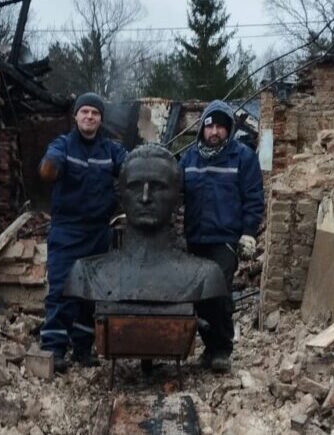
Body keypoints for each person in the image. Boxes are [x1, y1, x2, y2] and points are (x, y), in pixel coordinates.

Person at [64, 144, 227, 305]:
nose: (145, 197)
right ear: (121, 198)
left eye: (158, 187)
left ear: (178, 201)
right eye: (134, 187)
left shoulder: (204, 277)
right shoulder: (87, 275)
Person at [39, 92, 127, 373]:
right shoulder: (62, 145)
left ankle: (82, 348)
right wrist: (50, 169)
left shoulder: (111, 150)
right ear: (76, 116)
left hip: (98, 232)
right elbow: (48, 166)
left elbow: (130, 165)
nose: (89, 117)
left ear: (101, 119)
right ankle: (54, 348)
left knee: (91, 292)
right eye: (85, 112)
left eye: (95, 113)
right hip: (67, 230)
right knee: (62, 288)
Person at [179, 99, 264, 372]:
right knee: (198, 296)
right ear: (202, 129)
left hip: (224, 239)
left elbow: (253, 198)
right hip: (195, 238)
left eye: (219, 126)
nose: (214, 131)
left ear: (228, 129)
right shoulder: (189, 158)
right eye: (209, 126)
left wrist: (248, 234)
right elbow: (176, 193)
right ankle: (208, 347)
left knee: (218, 293)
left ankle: (221, 350)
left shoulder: (243, 157)